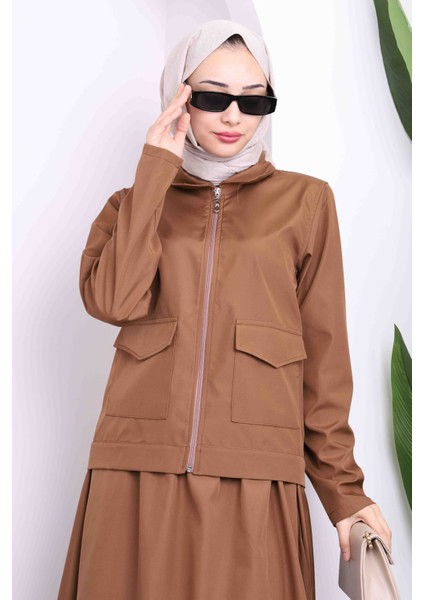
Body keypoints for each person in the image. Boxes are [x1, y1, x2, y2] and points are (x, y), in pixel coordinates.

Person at [57, 19, 392, 600]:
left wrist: (344, 492)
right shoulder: (132, 204)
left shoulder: (306, 203)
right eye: (212, 98)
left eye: (253, 101)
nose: (234, 116)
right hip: (137, 473)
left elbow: (325, 362)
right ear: (179, 97)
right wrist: (155, 171)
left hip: (254, 477)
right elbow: (111, 299)